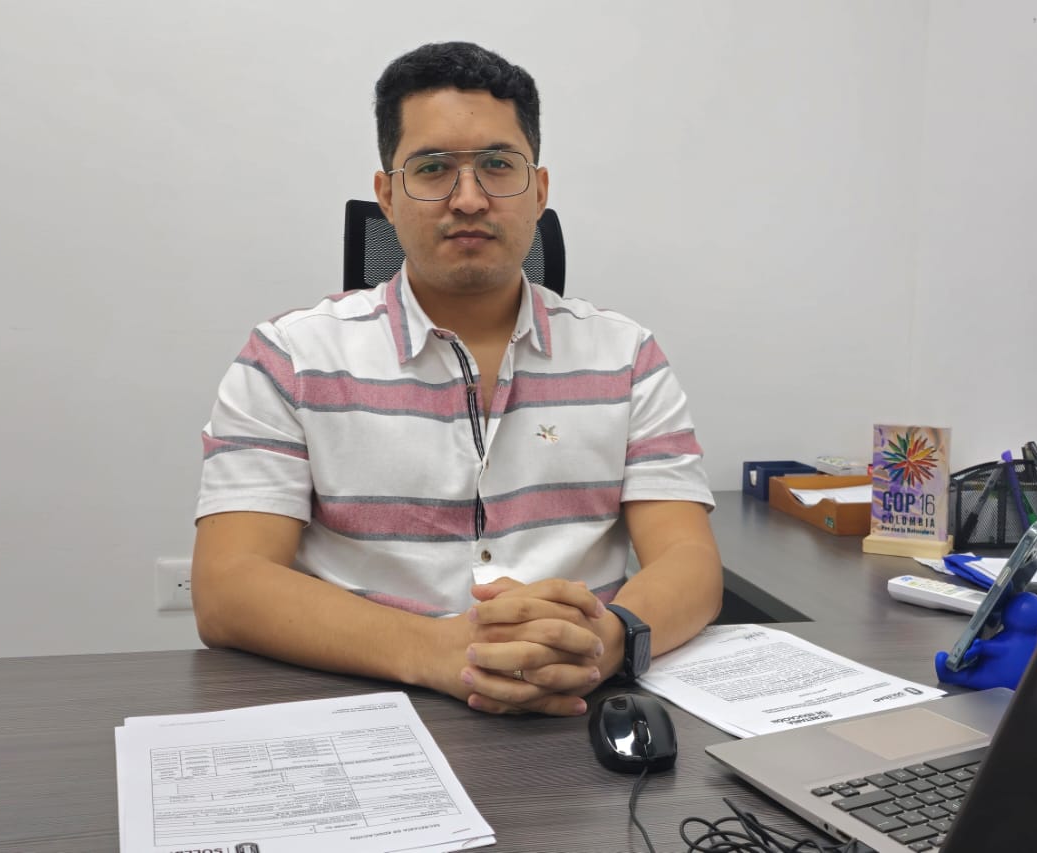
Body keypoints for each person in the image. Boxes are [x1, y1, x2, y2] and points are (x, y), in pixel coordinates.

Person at [190, 41, 721, 717]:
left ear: (539, 190)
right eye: (433, 168)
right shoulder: (288, 358)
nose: (468, 199)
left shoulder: (627, 356)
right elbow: (228, 588)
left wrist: (604, 640)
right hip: (365, 704)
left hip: (580, 709)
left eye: (498, 165)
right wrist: (438, 650)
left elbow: (689, 560)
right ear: (387, 195)